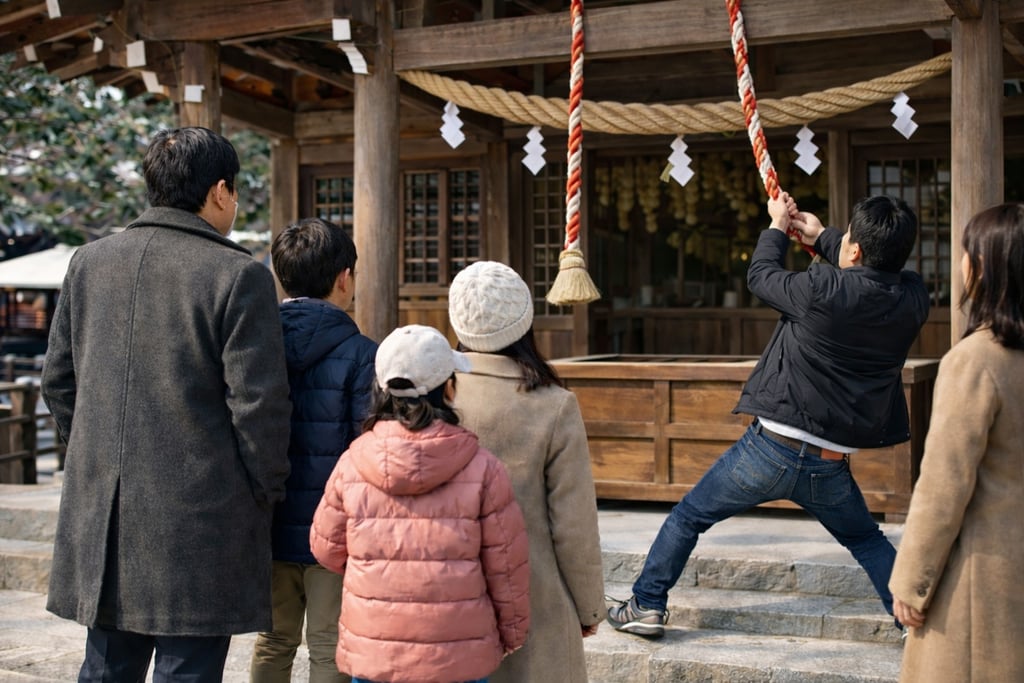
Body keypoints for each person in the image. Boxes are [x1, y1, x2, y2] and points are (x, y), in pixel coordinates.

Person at [607, 192, 930, 638]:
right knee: (867, 540)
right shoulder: (913, 297)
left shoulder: (821, 289)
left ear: (854, 249)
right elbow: (872, 267)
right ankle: (914, 625)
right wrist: (821, 238)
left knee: (688, 517)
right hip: (830, 465)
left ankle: (646, 604)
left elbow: (761, 275)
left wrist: (778, 226)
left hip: (768, 449)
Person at [40, 126, 292, 681]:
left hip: (104, 514)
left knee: (106, 668)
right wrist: (265, 490)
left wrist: (95, 455)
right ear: (221, 191)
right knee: (189, 670)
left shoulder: (89, 262)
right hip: (202, 516)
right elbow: (258, 407)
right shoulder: (238, 274)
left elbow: (58, 383)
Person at [309, 324, 531, 683]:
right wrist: (513, 632)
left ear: (381, 390)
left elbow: (325, 549)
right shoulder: (483, 467)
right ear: (448, 388)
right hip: (458, 653)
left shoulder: (353, 463)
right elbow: (505, 566)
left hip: (375, 651)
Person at [447, 260, 605, 683]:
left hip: (448, 603)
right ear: (524, 323)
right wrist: (589, 606)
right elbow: (572, 524)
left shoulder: (431, 398)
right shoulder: (553, 404)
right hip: (536, 597)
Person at [889, 202, 1024, 682]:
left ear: (985, 266)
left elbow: (943, 487)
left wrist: (911, 582)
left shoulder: (975, 360)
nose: (960, 263)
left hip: (979, 579)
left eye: (966, 252)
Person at [250, 218, 377, 683]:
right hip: (334, 532)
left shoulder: (254, 344)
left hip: (269, 522)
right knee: (329, 644)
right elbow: (367, 450)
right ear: (344, 278)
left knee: (274, 639)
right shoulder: (364, 355)